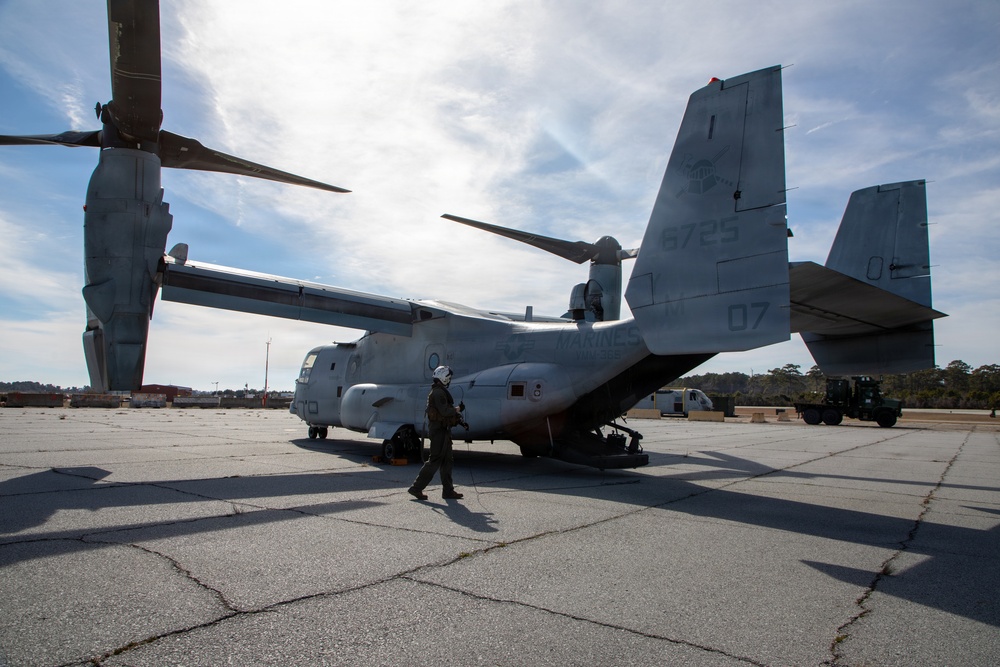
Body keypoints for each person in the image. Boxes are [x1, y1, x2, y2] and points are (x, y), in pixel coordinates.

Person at [408, 366, 465, 500]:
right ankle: (416, 488)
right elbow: (445, 411)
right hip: (439, 432)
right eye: (449, 378)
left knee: (447, 461)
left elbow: (444, 413)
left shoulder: (439, 392)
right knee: (434, 461)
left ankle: (448, 491)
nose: (450, 380)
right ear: (444, 378)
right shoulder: (438, 393)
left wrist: (458, 420)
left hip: (443, 431)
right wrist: (458, 409)